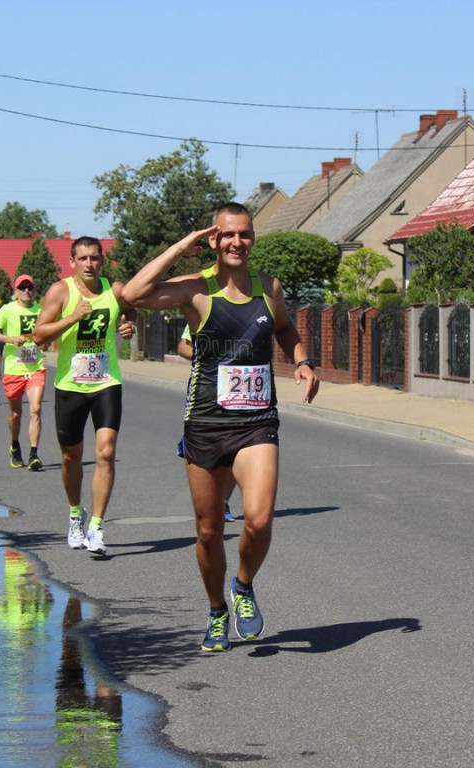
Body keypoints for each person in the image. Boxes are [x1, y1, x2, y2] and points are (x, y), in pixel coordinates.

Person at [122, 202, 319, 653]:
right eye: (227, 235)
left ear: (253, 238)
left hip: (257, 422)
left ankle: (243, 586)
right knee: (209, 530)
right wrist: (180, 246)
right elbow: (133, 294)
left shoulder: (269, 288)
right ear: (213, 239)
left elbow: (285, 330)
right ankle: (216, 610)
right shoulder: (195, 290)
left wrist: (303, 362)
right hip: (207, 423)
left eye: (244, 235)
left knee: (260, 517)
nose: (237, 243)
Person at [33, 236, 136, 556]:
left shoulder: (114, 289)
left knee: (105, 452)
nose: (89, 264)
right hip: (70, 385)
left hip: (106, 382)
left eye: (95, 258)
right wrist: (72, 318)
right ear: (72, 262)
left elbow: (131, 310)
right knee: (70, 457)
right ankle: (76, 514)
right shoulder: (61, 291)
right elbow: (38, 335)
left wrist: (128, 324)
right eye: (83, 259)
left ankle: (96, 527)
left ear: (102, 261)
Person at [0, 274, 47, 471]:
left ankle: (34, 454)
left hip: (36, 367)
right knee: (15, 413)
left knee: (36, 408)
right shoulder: (7, 310)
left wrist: (46, 341)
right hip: (14, 369)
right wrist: (11, 339)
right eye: (23, 288)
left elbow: (49, 332)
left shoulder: (41, 310)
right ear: (16, 290)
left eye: (30, 287)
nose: (27, 291)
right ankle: (15, 445)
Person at [177, 326, 236, 522]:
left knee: (237, 451)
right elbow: (183, 347)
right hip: (206, 389)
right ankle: (210, 501)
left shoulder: (249, 309)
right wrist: (208, 356)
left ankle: (224, 501)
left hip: (238, 392)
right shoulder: (202, 309)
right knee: (210, 451)